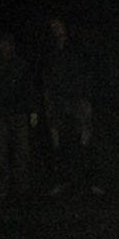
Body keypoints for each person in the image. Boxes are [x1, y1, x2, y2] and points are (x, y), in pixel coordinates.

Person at [41, 17, 102, 195]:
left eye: (58, 24)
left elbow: (86, 72)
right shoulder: (50, 50)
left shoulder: (77, 47)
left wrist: (86, 97)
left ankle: (90, 182)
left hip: (77, 99)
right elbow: (46, 76)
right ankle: (62, 181)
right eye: (53, 26)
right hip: (58, 101)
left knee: (85, 140)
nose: (56, 28)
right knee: (60, 143)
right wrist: (48, 99)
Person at [0, 32, 38, 202]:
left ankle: (22, 189)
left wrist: (33, 110)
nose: (5, 46)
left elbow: (29, 88)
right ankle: (2, 190)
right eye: (3, 43)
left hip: (19, 114)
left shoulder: (21, 64)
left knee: (22, 153)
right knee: (0, 154)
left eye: (8, 43)